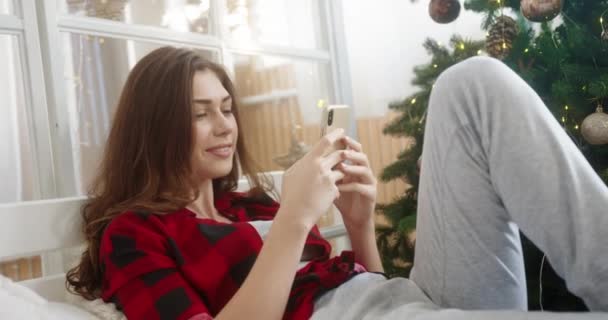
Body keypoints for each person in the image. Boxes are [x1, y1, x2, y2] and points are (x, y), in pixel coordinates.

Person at [66, 46, 608, 320]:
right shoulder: (134, 234)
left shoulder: (245, 203)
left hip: (404, 301)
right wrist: (296, 220)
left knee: (471, 82)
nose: (225, 125)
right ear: (157, 126)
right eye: (201, 112)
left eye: (227, 108)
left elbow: (363, 286)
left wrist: (358, 222)